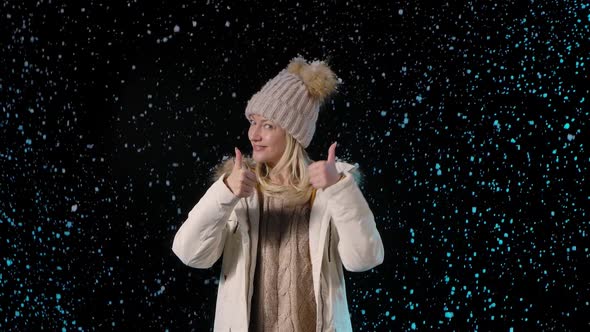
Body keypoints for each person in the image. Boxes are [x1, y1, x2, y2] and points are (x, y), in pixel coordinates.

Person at [172, 56, 384, 331]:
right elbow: (190, 253)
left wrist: (339, 190)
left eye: (268, 125)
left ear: (294, 134)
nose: (253, 134)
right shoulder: (240, 188)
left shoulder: (326, 191)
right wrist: (224, 192)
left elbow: (365, 259)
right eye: (253, 121)